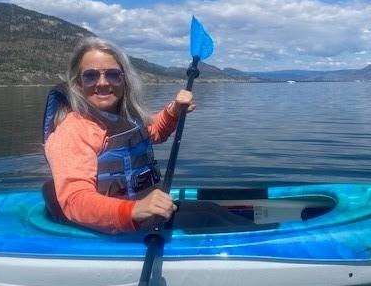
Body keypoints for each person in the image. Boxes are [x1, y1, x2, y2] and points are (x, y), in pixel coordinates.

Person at [43, 37, 252, 234]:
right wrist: (133, 210)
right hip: (118, 224)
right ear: (78, 83)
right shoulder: (73, 130)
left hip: (145, 212)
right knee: (207, 220)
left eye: (113, 74)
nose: (103, 82)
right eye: (91, 75)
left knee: (209, 210)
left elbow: (153, 133)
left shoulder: (122, 118)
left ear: (124, 80)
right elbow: (75, 201)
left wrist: (174, 112)